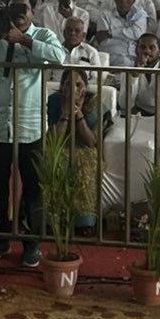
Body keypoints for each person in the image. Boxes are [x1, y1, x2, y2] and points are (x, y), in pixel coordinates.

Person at [0, 5, 66, 267]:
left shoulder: (44, 35)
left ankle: (31, 244)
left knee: (33, 189)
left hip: (31, 124)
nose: (18, 15)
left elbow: (58, 58)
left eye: (22, 9)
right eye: (13, 9)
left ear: (31, 13)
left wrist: (24, 40)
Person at [46, 69, 109, 235]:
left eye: (79, 85)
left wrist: (78, 112)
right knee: (56, 162)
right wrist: (66, 113)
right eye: (68, 85)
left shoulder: (94, 103)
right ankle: (55, 219)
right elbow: (54, 139)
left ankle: (84, 223)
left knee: (83, 166)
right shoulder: (53, 101)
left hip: (85, 148)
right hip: (59, 147)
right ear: (62, 87)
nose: (74, 89)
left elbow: (91, 141)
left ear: (85, 87)